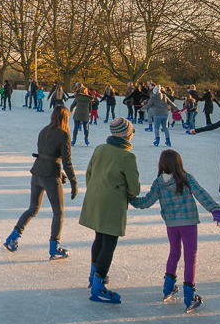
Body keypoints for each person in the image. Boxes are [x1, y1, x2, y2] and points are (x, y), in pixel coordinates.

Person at [130, 149, 220, 313]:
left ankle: (168, 288)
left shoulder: (159, 182)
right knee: (190, 258)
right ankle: (189, 296)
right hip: (188, 223)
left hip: (171, 225)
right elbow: (200, 193)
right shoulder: (185, 178)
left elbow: (146, 202)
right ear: (178, 163)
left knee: (174, 253)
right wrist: (215, 210)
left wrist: (130, 199)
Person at [3, 106, 78, 260]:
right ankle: (54, 248)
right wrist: (73, 182)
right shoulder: (64, 134)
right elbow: (67, 162)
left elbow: (46, 155)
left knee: (33, 209)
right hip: (50, 176)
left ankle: (12, 238)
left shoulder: (44, 130)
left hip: (37, 174)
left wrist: (60, 173)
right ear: (65, 118)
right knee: (58, 212)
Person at [81, 118, 140, 304]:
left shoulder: (100, 148)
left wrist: (95, 189)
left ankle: (94, 275)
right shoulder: (127, 157)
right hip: (112, 203)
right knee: (109, 243)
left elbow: (89, 173)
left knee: (99, 237)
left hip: (95, 198)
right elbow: (135, 189)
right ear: (126, 134)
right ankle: (99, 285)